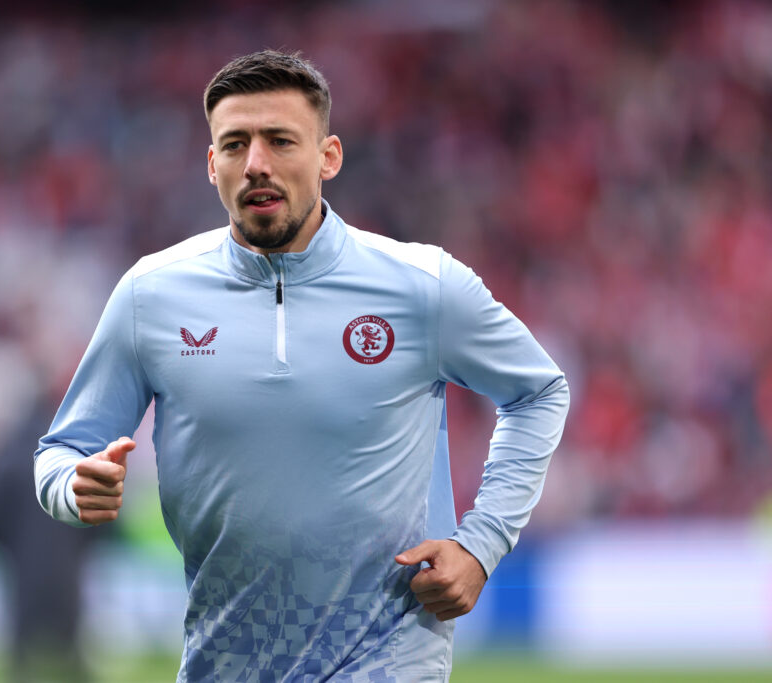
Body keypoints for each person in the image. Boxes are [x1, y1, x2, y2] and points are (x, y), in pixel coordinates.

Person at [35, 50, 569, 682]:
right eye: (234, 144)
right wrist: (73, 487)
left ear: (328, 156)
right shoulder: (150, 296)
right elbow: (63, 449)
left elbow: (539, 393)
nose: (256, 162)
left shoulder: (423, 286)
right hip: (224, 659)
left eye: (280, 140)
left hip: (389, 655)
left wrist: (479, 546)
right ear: (212, 166)